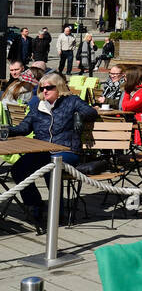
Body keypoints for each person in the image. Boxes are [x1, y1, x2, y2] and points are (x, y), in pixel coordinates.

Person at [7, 72, 98, 229]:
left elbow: (92, 112)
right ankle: (35, 204)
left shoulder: (71, 101)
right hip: (43, 150)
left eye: (49, 87)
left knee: (51, 168)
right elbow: (24, 127)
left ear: (59, 87)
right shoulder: (37, 105)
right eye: (42, 88)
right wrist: (8, 130)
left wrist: (78, 115)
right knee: (18, 169)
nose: (45, 91)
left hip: (67, 150)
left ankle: (57, 212)